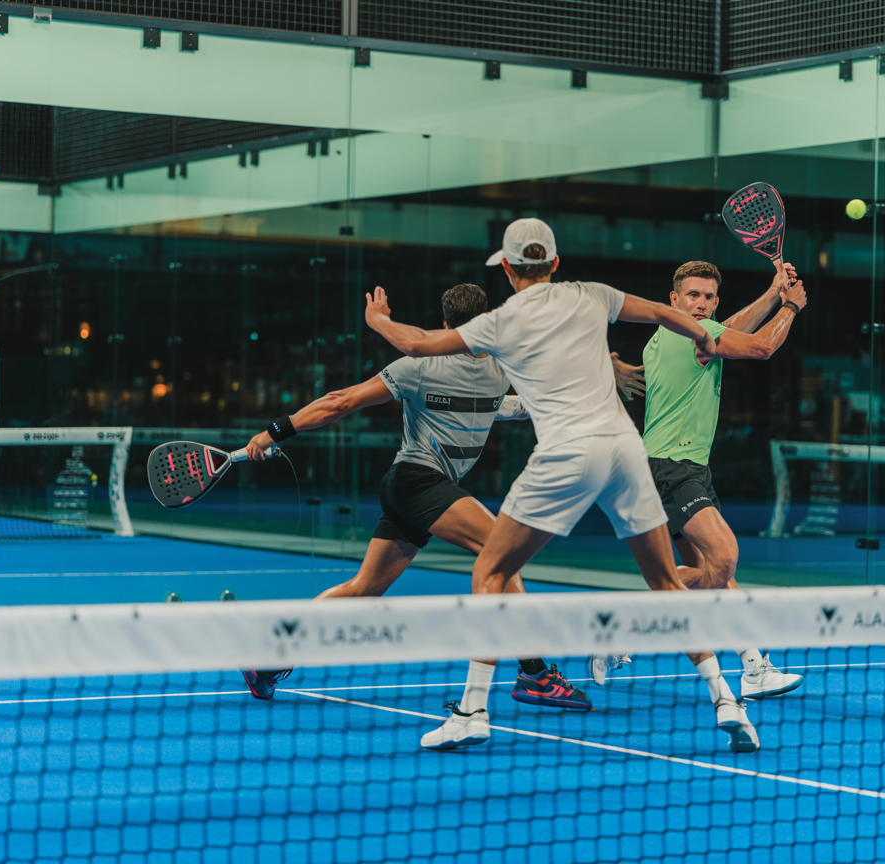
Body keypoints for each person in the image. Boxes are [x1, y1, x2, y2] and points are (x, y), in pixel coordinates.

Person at [365, 218, 762, 754]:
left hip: (567, 455)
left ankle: (472, 712)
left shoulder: (500, 322)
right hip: (625, 450)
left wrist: (379, 320)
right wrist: (709, 335)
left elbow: (416, 345)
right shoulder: (594, 295)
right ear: (555, 264)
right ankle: (726, 700)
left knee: (492, 569)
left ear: (507, 269)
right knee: (668, 581)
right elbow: (669, 314)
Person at [240, 283, 592, 713]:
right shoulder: (500, 366)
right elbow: (526, 396)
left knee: (363, 589)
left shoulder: (425, 366)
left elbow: (340, 403)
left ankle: (268, 660)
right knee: (500, 547)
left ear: (444, 325)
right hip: (416, 481)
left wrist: (275, 430)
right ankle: (535, 674)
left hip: (410, 487)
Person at [607, 259, 806, 702]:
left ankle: (754, 665)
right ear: (673, 299)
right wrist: (790, 307)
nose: (701, 304)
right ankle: (630, 618)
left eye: (709, 297)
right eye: (692, 295)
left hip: (675, 468)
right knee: (725, 559)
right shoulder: (690, 335)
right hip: (670, 470)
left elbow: (730, 326)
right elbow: (760, 348)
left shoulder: (669, 334)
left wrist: (773, 292)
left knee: (712, 574)